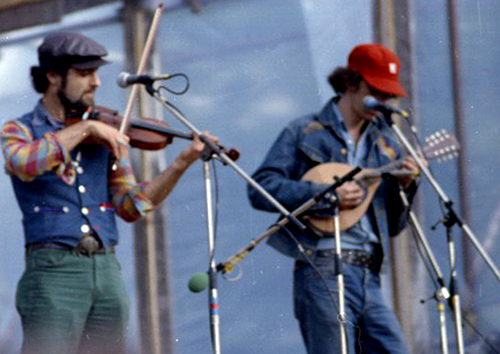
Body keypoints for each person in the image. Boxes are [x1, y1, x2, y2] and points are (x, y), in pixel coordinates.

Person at [0, 32, 215, 354]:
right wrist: (85, 129)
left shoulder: (107, 132)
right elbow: (22, 162)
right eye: (85, 74)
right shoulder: (20, 129)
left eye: (96, 73)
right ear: (53, 76)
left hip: (106, 270)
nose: (96, 83)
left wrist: (181, 163)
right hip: (54, 270)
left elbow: (131, 206)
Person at [247, 43, 420, 354]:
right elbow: (260, 188)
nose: (382, 101)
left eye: (387, 95)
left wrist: (406, 186)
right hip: (322, 266)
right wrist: (325, 195)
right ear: (352, 82)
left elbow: (394, 226)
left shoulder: (387, 144)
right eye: (375, 90)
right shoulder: (304, 131)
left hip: (369, 273)